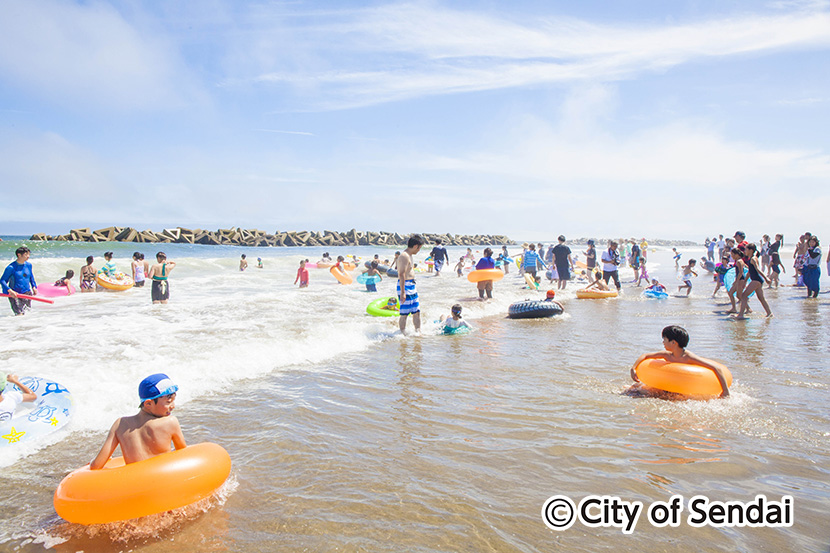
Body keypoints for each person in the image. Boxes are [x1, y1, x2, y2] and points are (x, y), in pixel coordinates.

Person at [90, 373, 185, 470]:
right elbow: (183, 455)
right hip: (163, 479)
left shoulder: (120, 424)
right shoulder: (170, 422)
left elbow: (95, 466)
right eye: (168, 402)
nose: (173, 406)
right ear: (148, 403)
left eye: (174, 400)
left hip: (134, 482)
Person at [630, 325, 730, 398]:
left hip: (682, 390)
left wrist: (725, 391)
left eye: (664, 339)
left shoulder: (689, 357)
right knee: (632, 390)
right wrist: (633, 368)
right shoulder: (667, 355)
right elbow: (645, 355)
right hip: (668, 387)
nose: (663, 342)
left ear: (673, 342)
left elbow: (716, 368)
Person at [397, 234, 424, 335]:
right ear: (416, 246)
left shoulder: (409, 255)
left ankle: (418, 332)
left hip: (411, 285)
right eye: (419, 248)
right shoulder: (404, 256)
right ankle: (402, 333)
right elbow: (401, 274)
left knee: (416, 311)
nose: (419, 250)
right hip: (405, 285)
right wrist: (403, 292)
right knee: (404, 313)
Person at [737, 244, 773, 319]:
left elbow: (758, 270)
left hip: (756, 280)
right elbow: (750, 272)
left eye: (746, 250)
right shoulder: (752, 258)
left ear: (751, 250)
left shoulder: (753, 259)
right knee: (761, 298)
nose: (745, 251)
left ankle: (741, 314)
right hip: (757, 280)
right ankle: (769, 313)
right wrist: (745, 282)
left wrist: (766, 278)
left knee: (744, 295)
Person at [1, 246, 38, 316]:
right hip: (14, 294)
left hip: (27, 293)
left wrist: (34, 287)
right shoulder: (11, 267)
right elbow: (2, 281)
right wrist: (10, 291)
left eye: (29, 254)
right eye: (26, 254)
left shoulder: (28, 265)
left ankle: (24, 327)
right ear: (19, 255)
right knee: (19, 315)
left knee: (27, 314)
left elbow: (31, 277)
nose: (28, 256)